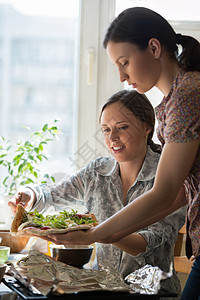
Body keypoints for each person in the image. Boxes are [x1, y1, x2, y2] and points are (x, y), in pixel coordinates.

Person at [24, 7, 199, 300]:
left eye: (125, 62)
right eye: (105, 130)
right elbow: (182, 194)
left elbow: (165, 193)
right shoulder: (172, 103)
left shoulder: (188, 95)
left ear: (154, 47)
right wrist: (107, 233)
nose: (121, 76)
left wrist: (94, 234)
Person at [9, 89, 186, 296]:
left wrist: (94, 233)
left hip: (153, 292)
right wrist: (30, 196)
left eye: (122, 127)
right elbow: (53, 194)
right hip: (103, 289)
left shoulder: (169, 178)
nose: (113, 138)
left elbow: (143, 245)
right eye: (105, 130)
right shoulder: (97, 171)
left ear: (146, 127)